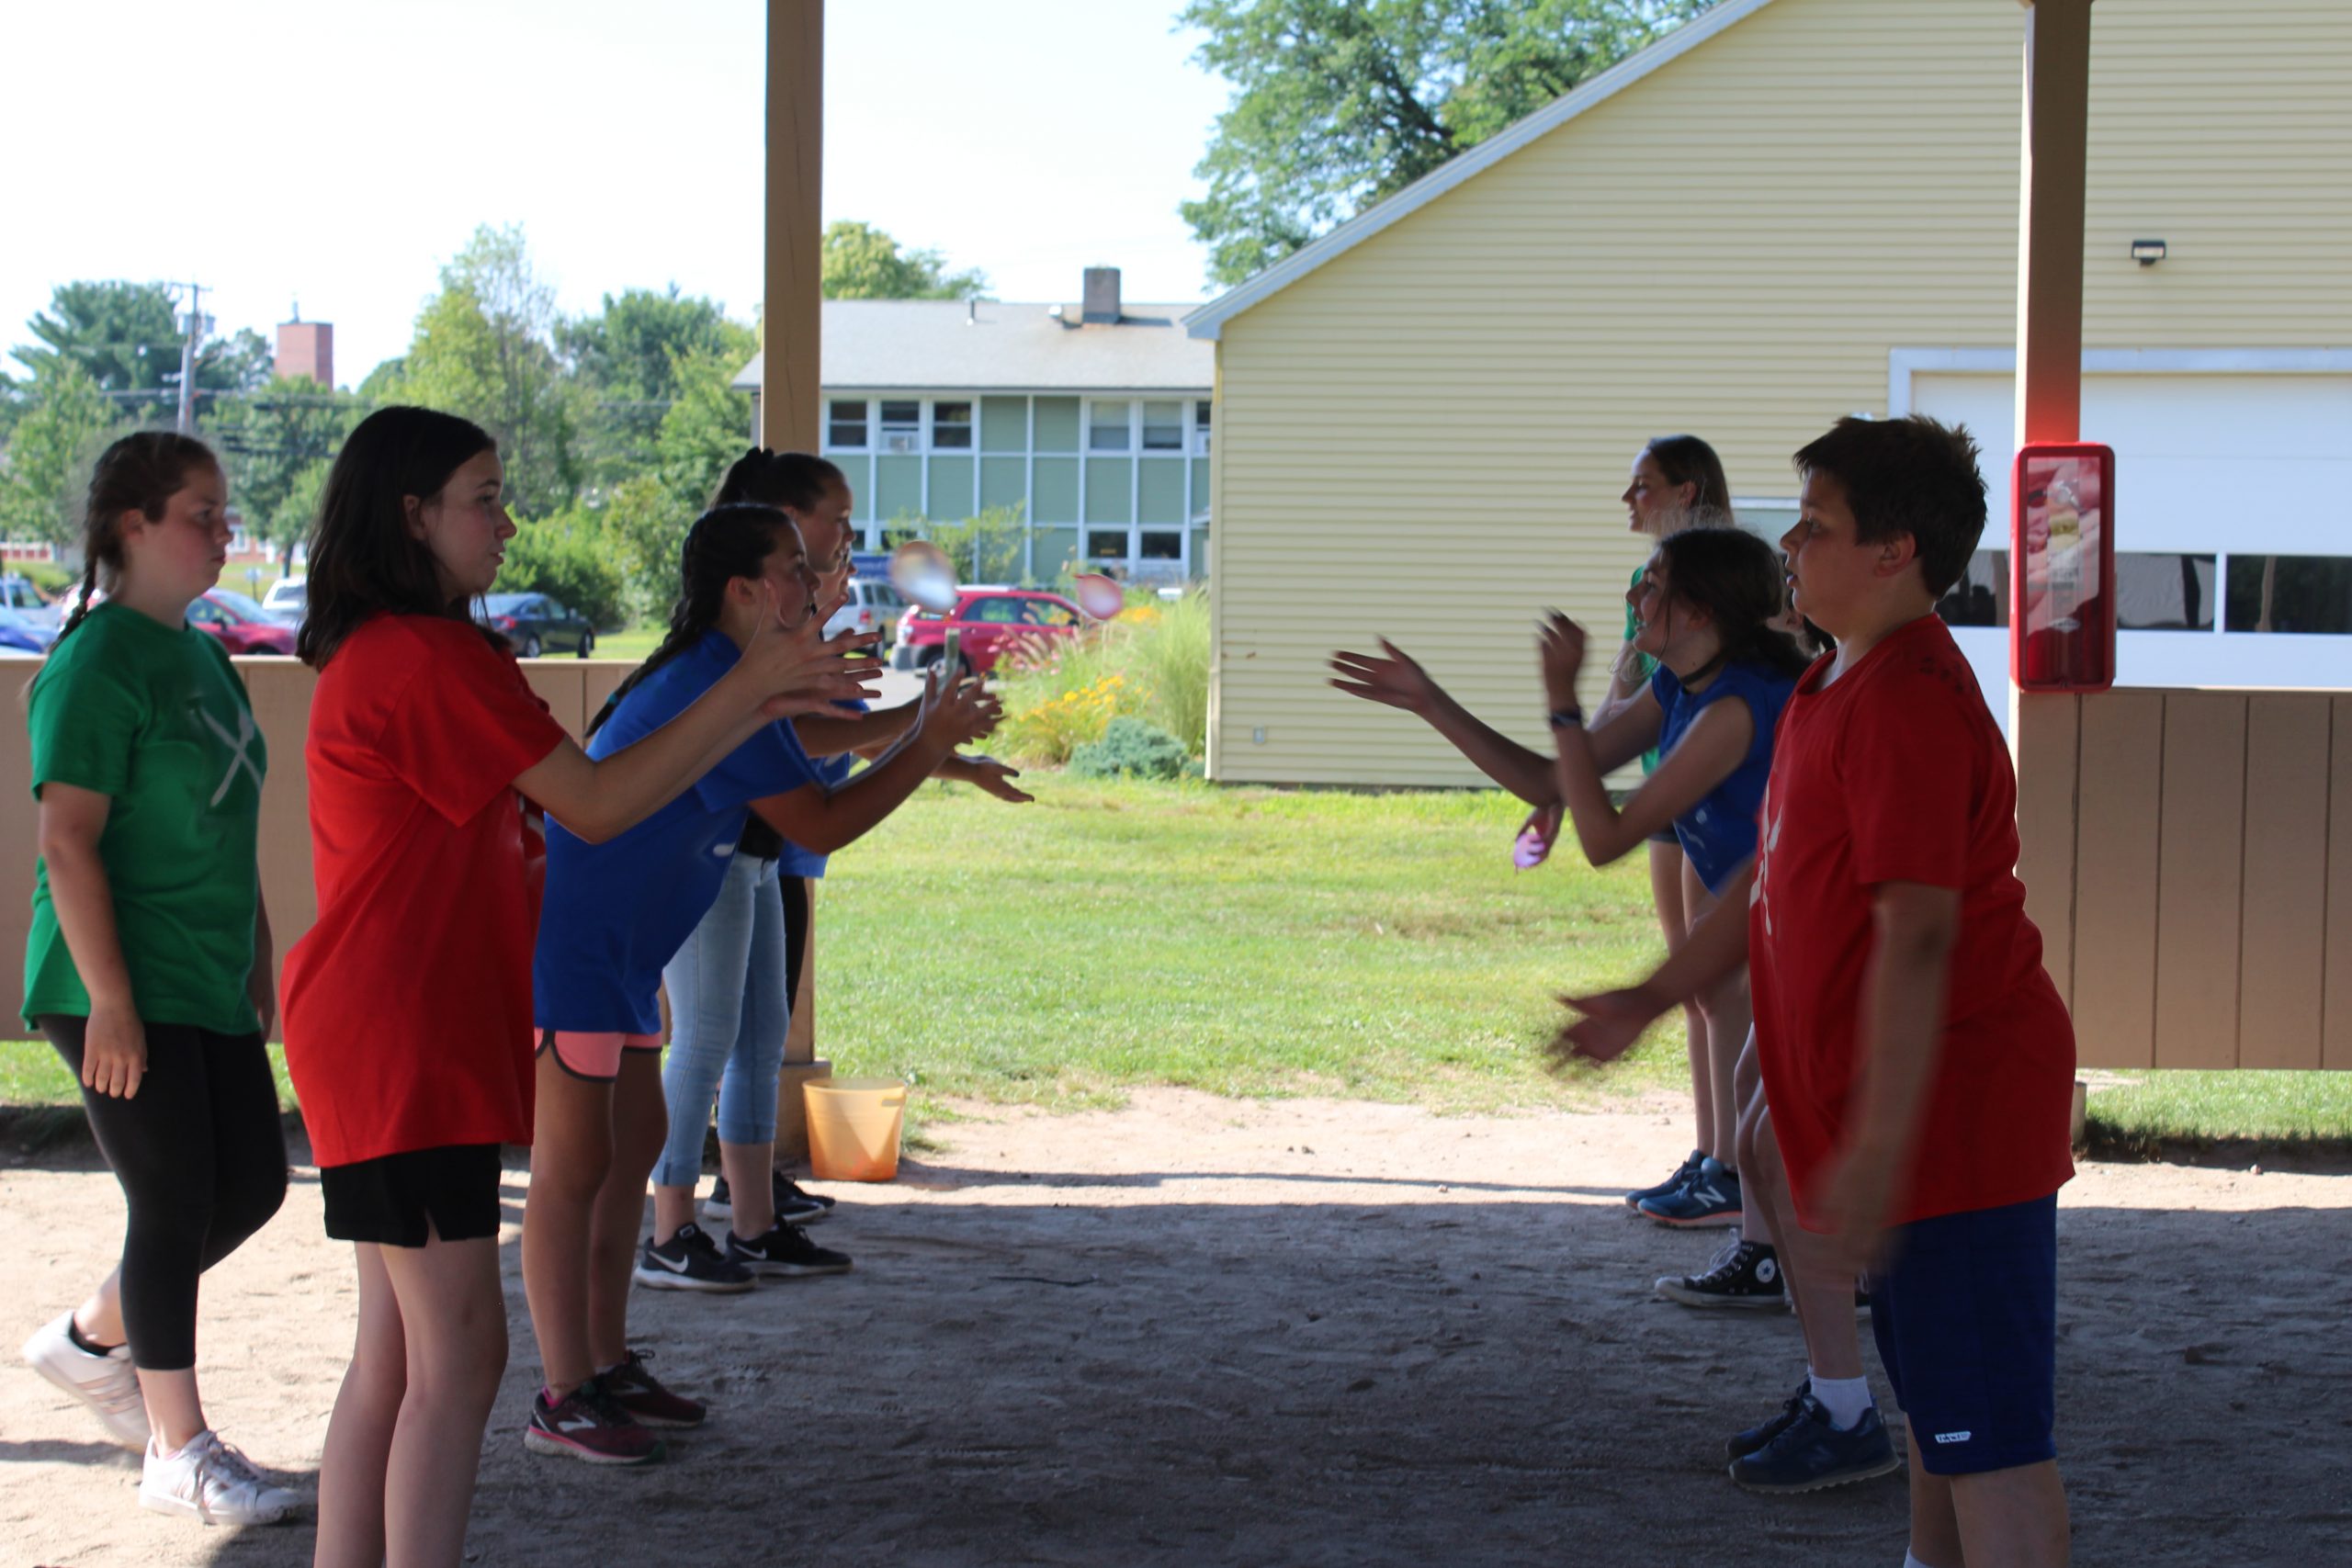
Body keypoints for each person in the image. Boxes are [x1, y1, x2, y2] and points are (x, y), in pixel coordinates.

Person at [283, 408, 874, 1566]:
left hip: (385, 1032)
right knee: (457, 1359)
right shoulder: (422, 656)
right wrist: (749, 687)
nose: (507, 522)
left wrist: (755, 692)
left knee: (397, 1359)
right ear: (412, 516)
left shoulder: (408, 650)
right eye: (483, 499)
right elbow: (598, 802)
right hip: (407, 1039)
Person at [1556, 415, 2075, 1565]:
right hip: (1916, 1137)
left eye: (1816, 525)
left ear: (1894, 551)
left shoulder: (1905, 704)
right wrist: (1651, 997)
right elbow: (1762, 879)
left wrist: (1879, 1149)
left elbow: (1919, 935)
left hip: (1960, 1130)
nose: (1787, 544)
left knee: (1990, 1448)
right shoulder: (1835, 683)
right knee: (1945, 1429)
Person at [523, 493, 996, 1465]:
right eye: (791, 564)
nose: (812, 581)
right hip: (579, 955)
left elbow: (816, 758)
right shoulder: (717, 687)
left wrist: (932, 749)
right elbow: (817, 823)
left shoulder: (739, 683)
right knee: (572, 1180)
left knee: (627, 1161)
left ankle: (604, 1368)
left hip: (625, 961)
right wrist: (927, 743)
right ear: (743, 590)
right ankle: (562, 1394)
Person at [17, 433, 298, 1528]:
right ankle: (178, 1449)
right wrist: (114, 1003)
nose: (222, 534)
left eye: (225, 515)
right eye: (200, 513)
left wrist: (262, 943)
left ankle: (89, 1340)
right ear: (131, 525)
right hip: (111, 983)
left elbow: (232, 819)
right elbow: (67, 843)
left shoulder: (207, 656)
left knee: (253, 1189)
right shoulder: (94, 662)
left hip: (207, 970)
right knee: (174, 1198)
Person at [671, 450, 1032, 1247]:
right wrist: (928, 735)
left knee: (758, 1037)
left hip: (763, 853)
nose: (845, 537)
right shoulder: (731, 644)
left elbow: (826, 742)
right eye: (833, 519)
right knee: (704, 1039)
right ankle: (672, 1228)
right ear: (778, 530)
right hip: (719, 855)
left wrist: (946, 754)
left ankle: (751, 1212)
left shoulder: (785, 624)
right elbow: (809, 761)